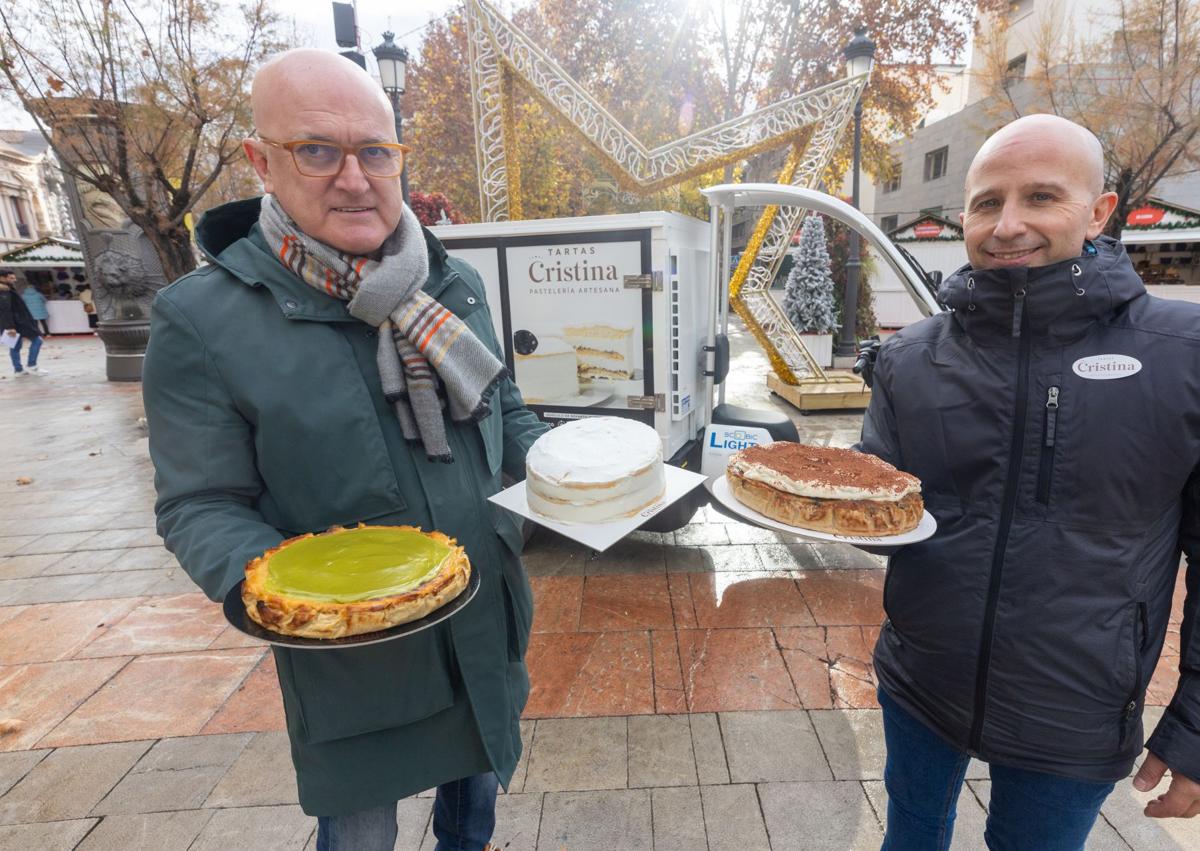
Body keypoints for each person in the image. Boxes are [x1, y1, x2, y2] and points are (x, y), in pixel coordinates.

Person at [142, 49, 547, 851]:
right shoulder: (204, 320)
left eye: (376, 151)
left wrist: (587, 476)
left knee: (474, 814)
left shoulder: (449, 281)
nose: (356, 178)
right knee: (360, 837)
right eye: (318, 151)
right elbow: (199, 503)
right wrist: (298, 599)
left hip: (482, 620)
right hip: (357, 661)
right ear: (262, 160)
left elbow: (502, 411)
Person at [857, 114, 1200, 849]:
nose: (1008, 225)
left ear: (1100, 211)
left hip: (1076, 703)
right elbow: (879, 507)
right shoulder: (908, 357)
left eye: (1041, 197)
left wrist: (1197, 723)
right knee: (911, 834)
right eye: (987, 202)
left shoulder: (1183, 356)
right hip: (919, 680)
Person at [0, 269, 45, 377]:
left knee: (15, 346)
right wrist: (10, 327)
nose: (14, 280)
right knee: (37, 340)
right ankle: (31, 365)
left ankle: (18, 370)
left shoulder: (8, 289)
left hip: (16, 322)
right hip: (18, 323)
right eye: (11, 278)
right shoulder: (4, 291)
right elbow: (5, 310)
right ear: (2, 278)